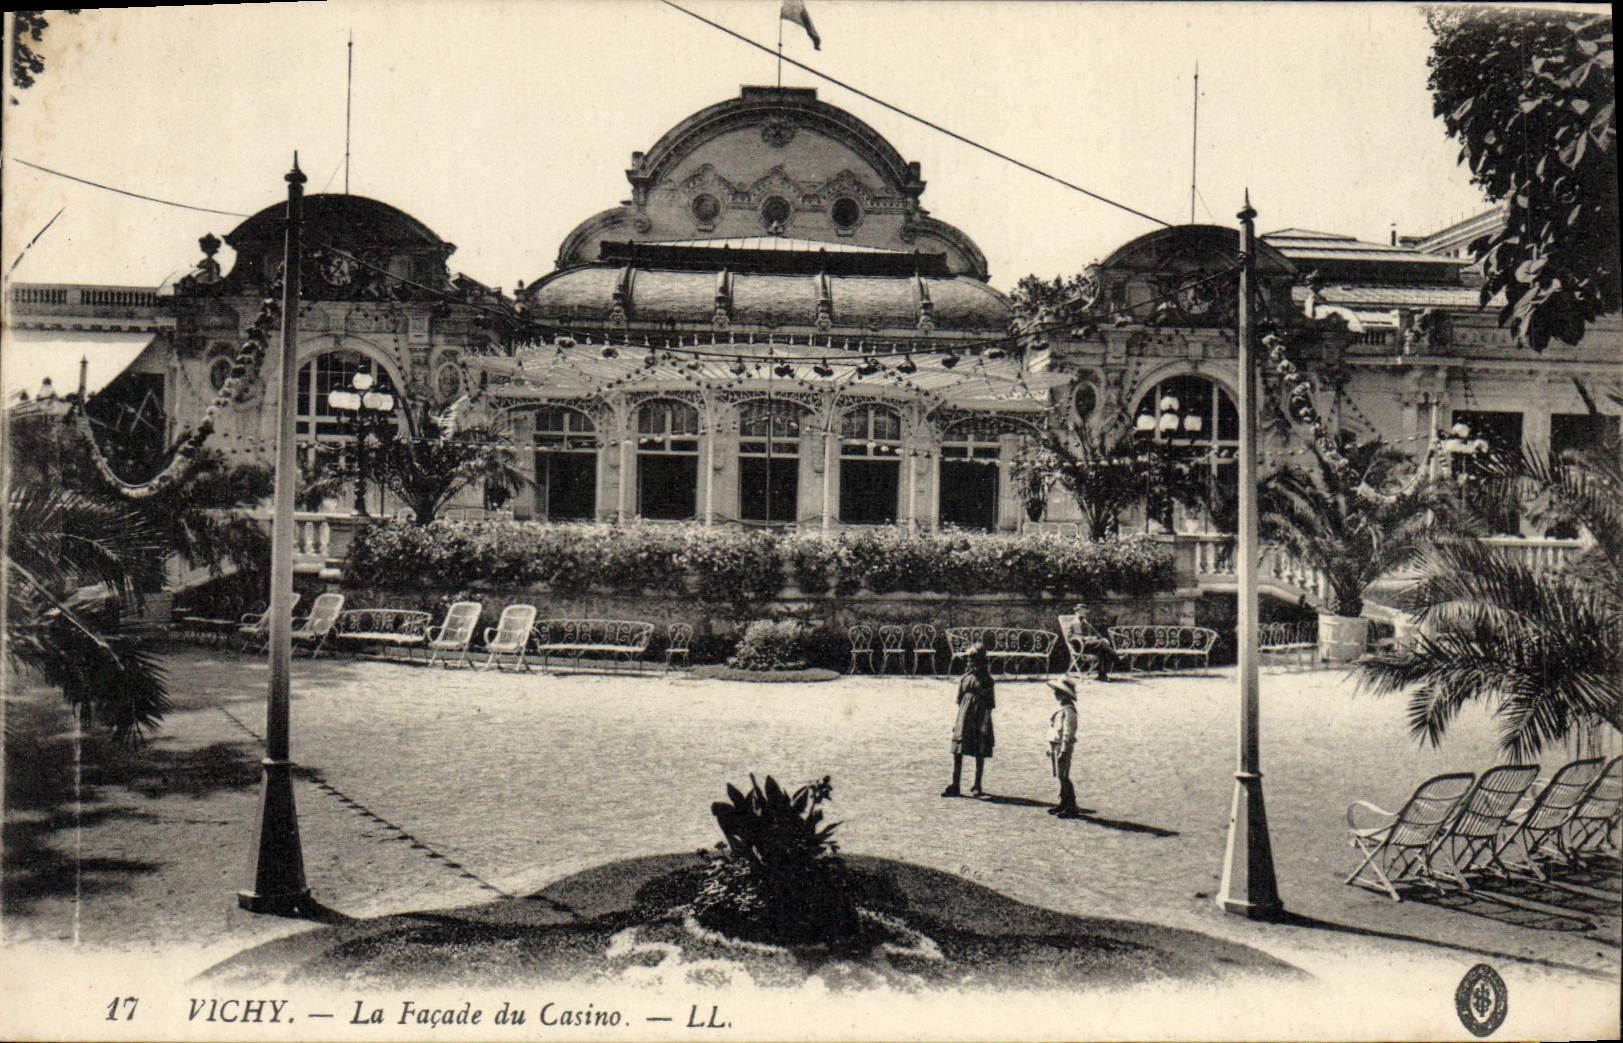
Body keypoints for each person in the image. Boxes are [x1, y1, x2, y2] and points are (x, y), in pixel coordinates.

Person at [942, 642, 994, 798]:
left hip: (979, 718)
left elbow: (989, 704)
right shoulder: (965, 678)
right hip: (965, 717)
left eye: (975, 659)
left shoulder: (987, 680)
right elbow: (960, 701)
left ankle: (977, 785)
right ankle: (955, 784)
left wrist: (985, 723)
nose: (971, 663)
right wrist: (957, 722)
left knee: (980, 750)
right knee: (958, 750)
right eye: (970, 660)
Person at [1046, 677, 1082, 817]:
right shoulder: (1061, 709)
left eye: (1059, 692)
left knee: (1064, 776)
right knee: (1060, 776)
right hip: (1056, 745)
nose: (1055, 694)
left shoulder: (1069, 711)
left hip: (1063, 747)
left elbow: (1068, 731)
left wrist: (1063, 749)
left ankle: (1071, 806)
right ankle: (1063, 802)